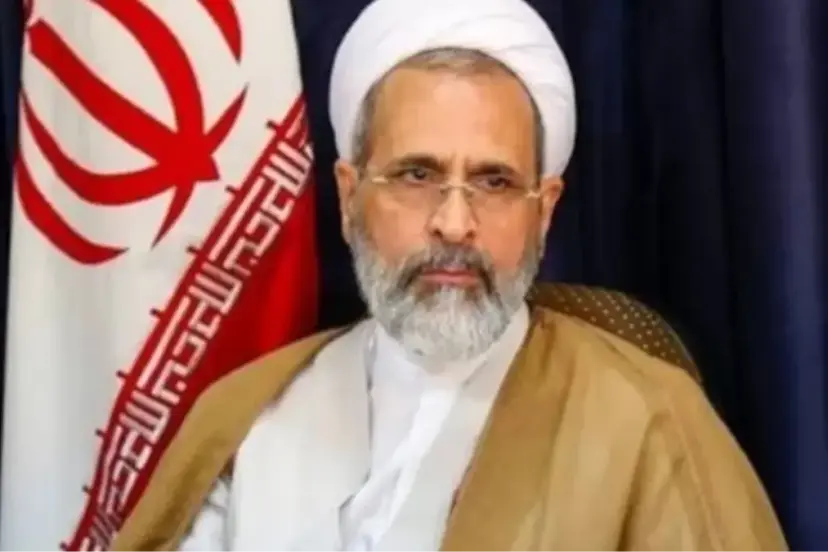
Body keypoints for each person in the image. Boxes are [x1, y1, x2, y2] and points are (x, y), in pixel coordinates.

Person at [113, 0, 788, 550]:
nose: (455, 223)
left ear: (544, 212)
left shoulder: (651, 423)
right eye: (417, 174)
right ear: (348, 197)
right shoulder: (250, 415)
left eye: (494, 182)